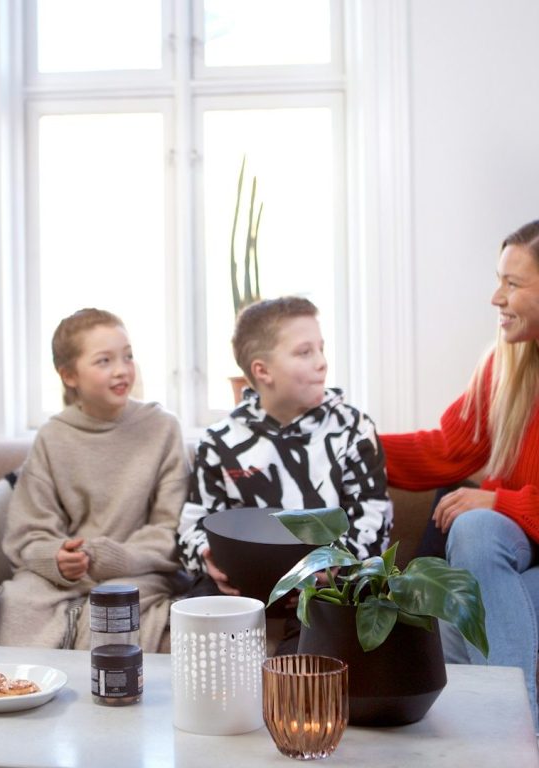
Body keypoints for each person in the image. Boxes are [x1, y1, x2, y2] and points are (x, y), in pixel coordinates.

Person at [381, 219, 539, 729]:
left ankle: (514, 736)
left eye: (513, 284)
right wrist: (350, 441)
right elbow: (448, 449)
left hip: (516, 543)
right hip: (515, 559)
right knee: (451, 600)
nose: (497, 296)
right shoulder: (509, 366)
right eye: (500, 280)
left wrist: (502, 503)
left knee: (465, 575)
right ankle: (504, 743)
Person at [0, 308, 189, 652]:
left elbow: (170, 528)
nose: (121, 370)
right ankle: (25, 694)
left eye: (127, 356)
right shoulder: (52, 437)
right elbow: (27, 533)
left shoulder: (163, 427)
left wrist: (117, 558)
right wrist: (57, 559)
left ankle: (107, 700)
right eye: (104, 361)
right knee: (18, 599)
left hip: (140, 570)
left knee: (113, 609)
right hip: (64, 577)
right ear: (69, 375)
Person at [178, 296, 393, 597]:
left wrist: (333, 569)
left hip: (327, 587)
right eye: (305, 352)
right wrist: (205, 555)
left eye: (321, 348)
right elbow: (194, 523)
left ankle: (301, 642)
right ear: (263, 371)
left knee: (331, 613)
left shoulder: (353, 429)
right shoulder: (220, 441)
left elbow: (372, 517)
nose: (322, 362)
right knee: (200, 601)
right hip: (243, 586)